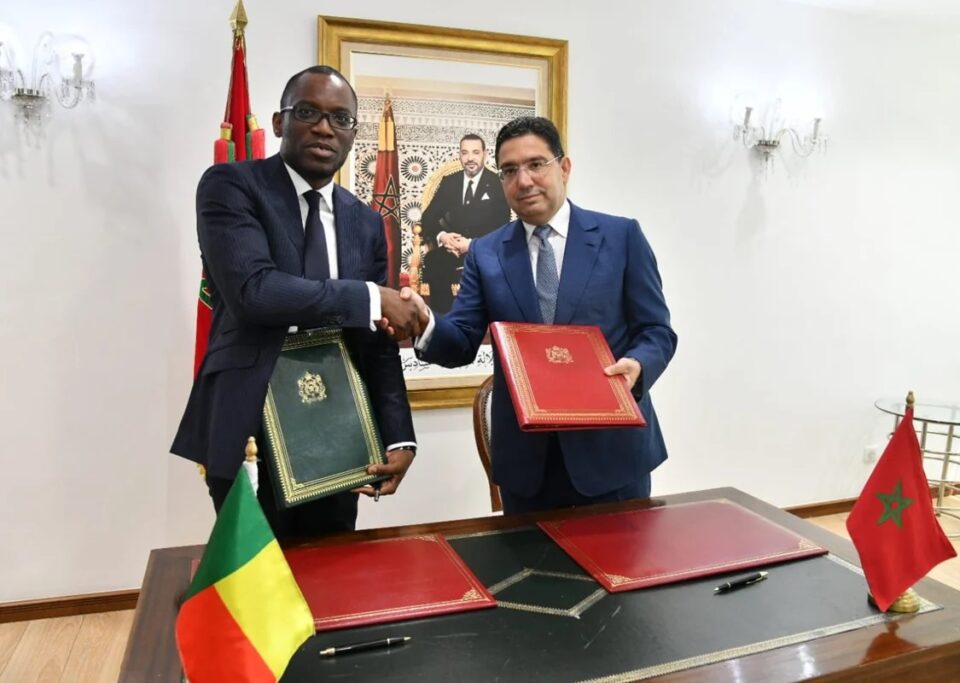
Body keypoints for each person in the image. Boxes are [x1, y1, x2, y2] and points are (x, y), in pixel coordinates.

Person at [171, 65, 424, 538]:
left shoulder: (365, 222)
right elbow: (254, 292)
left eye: (340, 118)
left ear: (352, 134)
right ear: (279, 122)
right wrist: (371, 295)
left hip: (338, 429)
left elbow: (377, 339)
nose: (325, 127)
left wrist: (398, 434)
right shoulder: (231, 186)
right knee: (254, 573)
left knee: (333, 570)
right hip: (249, 426)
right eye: (308, 113)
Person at [411, 116, 677, 514]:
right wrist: (424, 324)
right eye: (509, 170)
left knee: (622, 556)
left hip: (612, 454)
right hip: (527, 464)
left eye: (536, 164)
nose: (523, 181)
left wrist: (638, 366)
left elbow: (656, 331)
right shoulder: (486, 252)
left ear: (564, 167)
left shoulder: (621, 237)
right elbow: (462, 340)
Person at [419, 134, 510, 313]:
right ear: (460, 155)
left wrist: (470, 244)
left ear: (485, 154)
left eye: (475, 152)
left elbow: (502, 224)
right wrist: (443, 237)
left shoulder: (498, 183)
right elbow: (428, 218)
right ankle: (445, 321)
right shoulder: (449, 182)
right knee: (433, 261)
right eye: (465, 152)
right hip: (450, 251)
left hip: (483, 251)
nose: (470, 158)